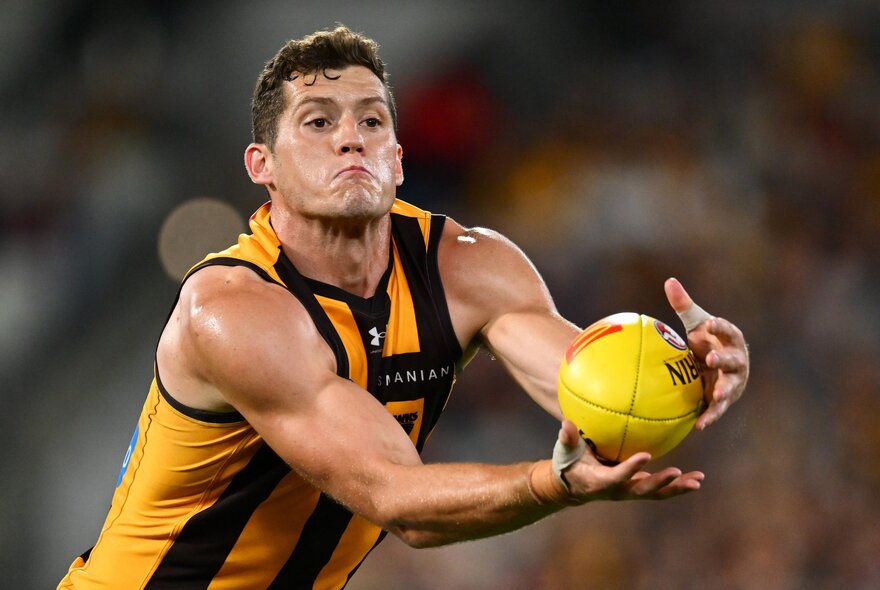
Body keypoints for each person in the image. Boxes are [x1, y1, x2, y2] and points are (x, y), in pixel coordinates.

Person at [58, 25, 749, 589]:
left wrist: (686, 378)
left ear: (397, 155)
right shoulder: (234, 310)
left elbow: (591, 389)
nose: (350, 137)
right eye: (318, 122)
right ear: (260, 165)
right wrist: (553, 485)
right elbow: (397, 502)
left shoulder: (470, 266)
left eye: (371, 120)